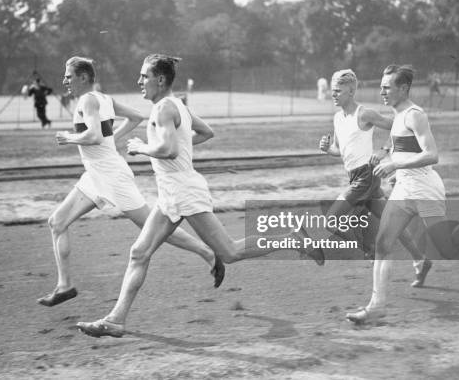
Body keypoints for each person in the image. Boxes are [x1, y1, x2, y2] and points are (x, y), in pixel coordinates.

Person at [76, 54, 324, 338]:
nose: (139, 81)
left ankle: (294, 238)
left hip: (184, 191)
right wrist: (178, 143)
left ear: (160, 79)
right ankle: (115, 320)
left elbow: (168, 150)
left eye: (144, 76)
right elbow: (206, 132)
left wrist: (142, 147)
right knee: (139, 252)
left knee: (229, 252)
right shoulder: (176, 104)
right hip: (171, 192)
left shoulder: (164, 109)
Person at [37, 56, 224, 307]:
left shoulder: (87, 100)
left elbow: (93, 135)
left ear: (83, 78)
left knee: (153, 227)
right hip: (96, 174)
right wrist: (112, 139)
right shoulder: (103, 99)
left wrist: (69, 138)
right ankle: (65, 286)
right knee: (57, 222)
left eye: (69, 76)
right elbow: (136, 116)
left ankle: (207, 252)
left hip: (112, 176)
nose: (64, 81)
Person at [345, 64, 459, 324]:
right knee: (383, 243)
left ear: (403, 88)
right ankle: (376, 306)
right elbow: (401, 143)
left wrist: (395, 164)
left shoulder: (416, 115)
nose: (382, 92)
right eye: (381, 87)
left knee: (447, 248)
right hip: (404, 187)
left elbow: (431, 155)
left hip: (426, 190)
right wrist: (388, 157)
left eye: (387, 87)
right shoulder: (397, 114)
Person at [320, 69, 430, 285]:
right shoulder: (337, 118)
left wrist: (384, 150)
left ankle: (369, 250)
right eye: (332, 91)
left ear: (351, 91)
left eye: (338, 91)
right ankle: (421, 260)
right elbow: (340, 151)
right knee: (393, 224)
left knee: (331, 221)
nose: (333, 94)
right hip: (356, 178)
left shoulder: (364, 114)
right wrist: (327, 149)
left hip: (366, 178)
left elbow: (397, 126)